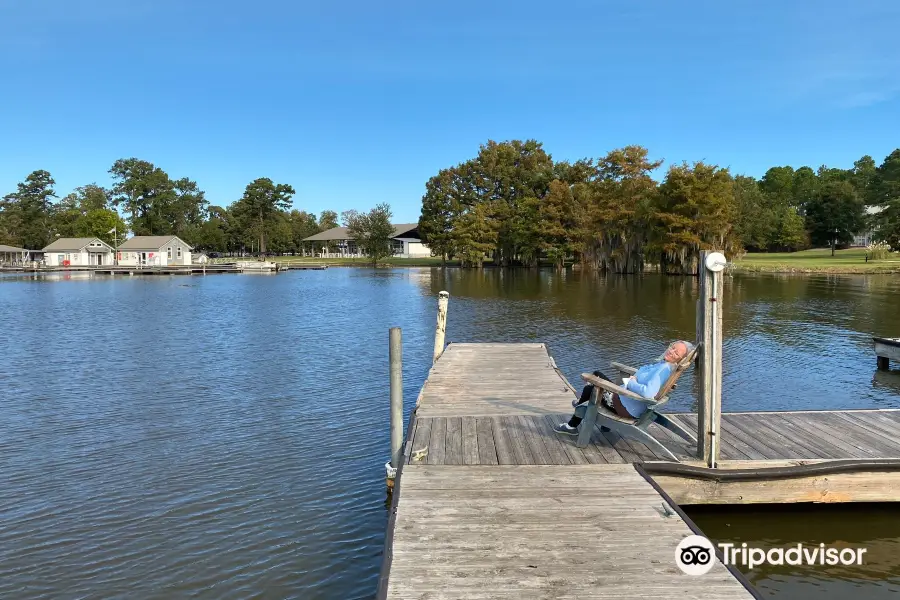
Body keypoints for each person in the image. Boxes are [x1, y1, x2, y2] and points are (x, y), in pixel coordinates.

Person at [555, 340, 693, 436]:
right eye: (672, 347)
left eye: (677, 353)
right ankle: (584, 406)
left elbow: (648, 393)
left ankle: (572, 426)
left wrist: (631, 382)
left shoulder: (663, 369)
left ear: (680, 359)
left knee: (590, 389)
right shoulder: (665, 365)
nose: (672, 351)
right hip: (625, 399)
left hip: (625, 406)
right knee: (597, 374)